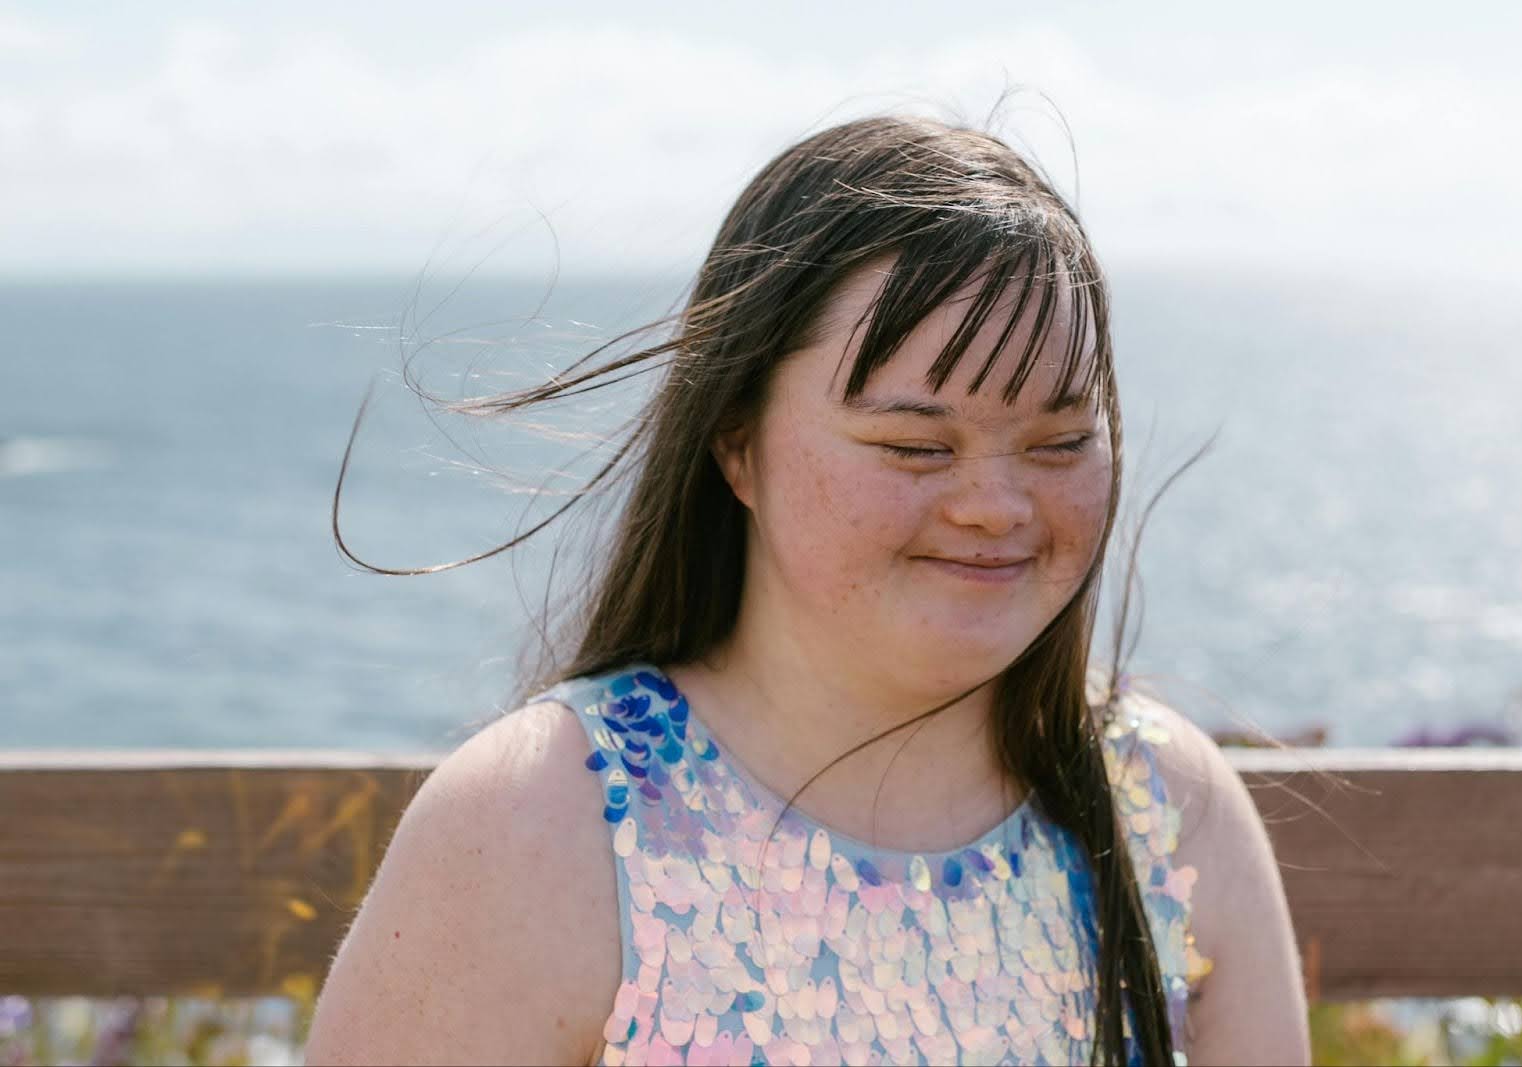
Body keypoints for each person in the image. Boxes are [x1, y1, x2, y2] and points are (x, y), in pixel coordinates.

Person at [304, 114, 1310, 1066]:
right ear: (735, 442)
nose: (996, 505)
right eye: (915, 445)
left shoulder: (1166, 802)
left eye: (1059, 442)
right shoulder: (533, 820)